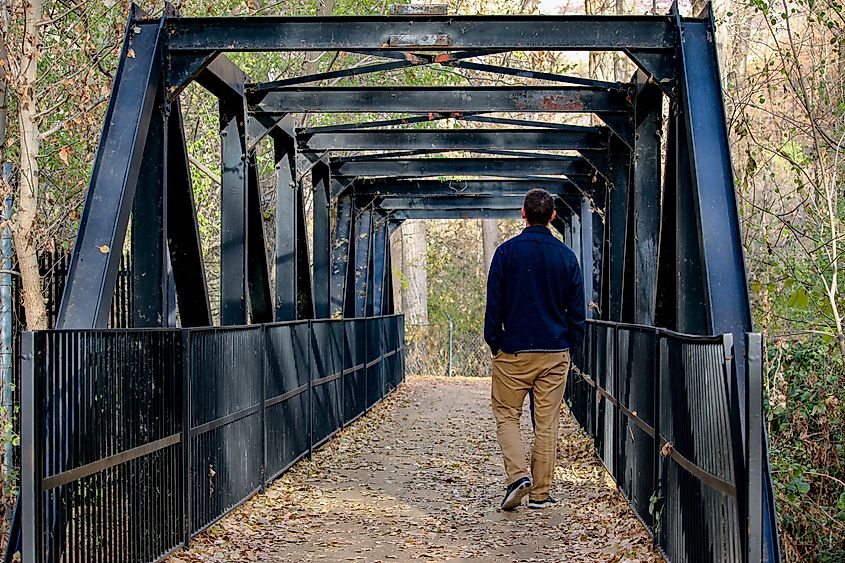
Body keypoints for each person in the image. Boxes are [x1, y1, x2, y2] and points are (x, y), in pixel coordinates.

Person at [484, 188, 586, 511]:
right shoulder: (567, 257)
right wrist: (572, 347)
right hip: (555, 353)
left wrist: (495, 342)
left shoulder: (505, 253)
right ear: (553, 216)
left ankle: (517, 477)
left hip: (513, 352)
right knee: (547, 422)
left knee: (506, 414)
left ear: (523, 213)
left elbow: (494, 307)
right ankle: (540, 494)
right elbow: (577, 314)